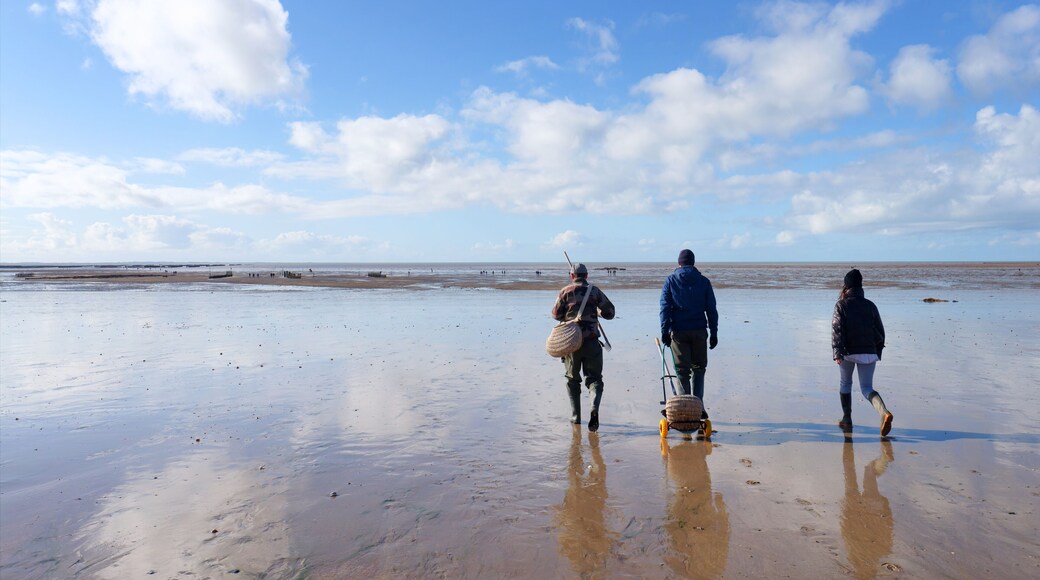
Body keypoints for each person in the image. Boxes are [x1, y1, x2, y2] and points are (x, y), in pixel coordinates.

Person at [552, 263, 615, 431]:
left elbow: (556, 315)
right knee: (594, 379)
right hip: (592, 342)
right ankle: (594, 407)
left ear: (572, 276)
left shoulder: (565, 292)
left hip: (571, 344)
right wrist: (599, 313)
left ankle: (576, 417)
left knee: (572, 380)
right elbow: (610, 312)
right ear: (586, 275)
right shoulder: (594, 291)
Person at [832, 268, 894, 436]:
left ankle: (847, 419)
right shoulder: (871, 305)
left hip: (847, 352)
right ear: (860, 287)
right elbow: (880, 332)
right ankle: (884, 413)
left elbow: (838, 330)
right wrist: (876, 350)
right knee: (867, 388)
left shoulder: (841, 305)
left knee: (845, 383)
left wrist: (837, 352)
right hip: (869, 352)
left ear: (846, 287)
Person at [659, 249, 718, 418]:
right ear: (693, 263)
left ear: (679, 263)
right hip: (699, 331)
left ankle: (686, 407)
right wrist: (714, 333)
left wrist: (664, 331)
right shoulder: (703, 281)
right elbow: (712, 310)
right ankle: (698, 406)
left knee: (683, 371)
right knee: (699, 369)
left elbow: (664, 308)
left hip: (679, 332)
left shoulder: (670, 281)